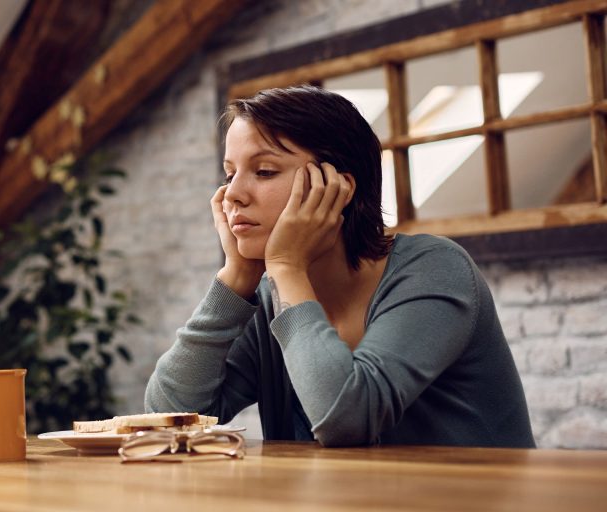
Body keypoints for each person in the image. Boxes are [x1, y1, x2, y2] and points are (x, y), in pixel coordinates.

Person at [144, 85, 535, 448]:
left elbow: (346, 419)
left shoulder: (435, 269)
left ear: (338, 187)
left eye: (263, 171)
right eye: (230, 174)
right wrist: (235, 279)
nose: (233, 194)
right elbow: (168, 414)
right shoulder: (269, 294)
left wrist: (285, 266)